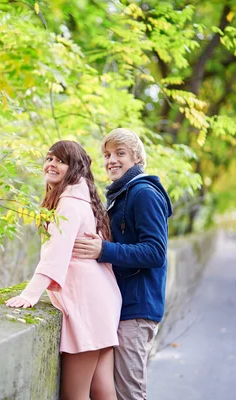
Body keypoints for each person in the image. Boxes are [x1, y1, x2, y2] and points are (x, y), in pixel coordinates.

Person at [6, 140, 122, 400]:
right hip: (102, 299)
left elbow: (55, 254)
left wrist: (30, 294)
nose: (51, 164)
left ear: (74, 168)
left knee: (75, 394)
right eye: (48, 158)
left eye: (60, 160)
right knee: (102, 389)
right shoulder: (84, 200)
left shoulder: (69, 202)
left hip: (87, 303)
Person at [73, 128, 173, 400]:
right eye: (107, 155)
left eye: (120, 153)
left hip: (137, 309)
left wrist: (103, 249)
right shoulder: (122, 194)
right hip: (122, 306)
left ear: (137, 158)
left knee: (129, 393)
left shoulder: (143, 193)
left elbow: (155, 252)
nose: (111, 160)